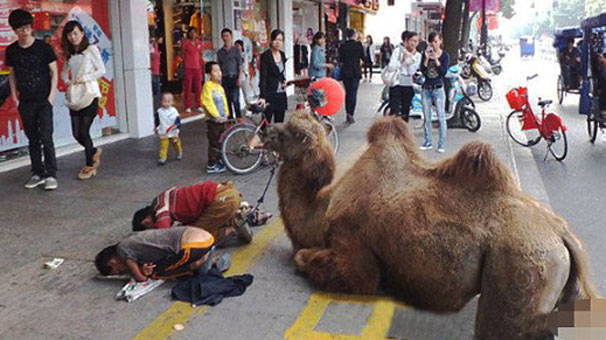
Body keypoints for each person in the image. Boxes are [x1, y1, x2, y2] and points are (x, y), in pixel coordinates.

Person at [6, 9, 59, 190]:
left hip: (44, 100)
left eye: (28, 27)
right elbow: (12, 75)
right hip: (25, 101)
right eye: (21, 29)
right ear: (15, 30)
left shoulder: (43, 48)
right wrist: (15, 97)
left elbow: (54, 72)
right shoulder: (12, 50)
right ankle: (37, 172)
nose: (25, 31)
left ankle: (51, 174)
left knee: (46, 137)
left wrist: (51, 97)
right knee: (33, 139)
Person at [131, 181, 253, 244]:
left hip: (221, 201)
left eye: (148, 230)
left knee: (194, 236)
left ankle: (230, 229)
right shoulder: (163, 198)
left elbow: (162, 235)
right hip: (227, 193)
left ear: (146, 221)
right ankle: (233, 218)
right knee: (191, 227)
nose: (152, 230)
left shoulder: (160, 209)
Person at [61, 20, 106, 180]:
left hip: (90, 94)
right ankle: (93, 151)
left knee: (84, 131)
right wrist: (69, 82)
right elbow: (64, 73)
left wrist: (84, 78)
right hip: (76, 96)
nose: (73, 37)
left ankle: (89, 165)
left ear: (82, 33)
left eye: (75, 33)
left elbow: (101, 70)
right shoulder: (69, 53)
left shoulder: (91, 49)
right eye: (69, 34)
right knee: (76, 133)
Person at [95, 227, 216, 281]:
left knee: (157, 274)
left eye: (118, 271)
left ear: (113, 261)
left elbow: (141, 278)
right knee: (201, 274)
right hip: (202, 239)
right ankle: (207, 259)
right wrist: (145, 268)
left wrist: (143, 273)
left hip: (192, 245)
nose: (123, 271)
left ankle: (198, 263)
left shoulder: (123, 249)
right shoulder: (133, 244)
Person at [419, 32, 450, 153]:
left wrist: (436, 60)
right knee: (427, 117)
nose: (433, 44)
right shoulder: (425, 54)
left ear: (440, 41)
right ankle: (428, 142)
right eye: (431, 42)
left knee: (441, 117)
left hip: (438, 89)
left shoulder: (445, 55)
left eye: (436, 42)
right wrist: (426, 58)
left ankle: (441, 144)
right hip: (426, 88)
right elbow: (423, 71)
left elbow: (443, 72)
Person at [202, 61, 229, 174]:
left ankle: (219, 160)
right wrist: (216, 116)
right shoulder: (207, 87)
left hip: (222, 120)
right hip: (213, 121)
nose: (219, 73)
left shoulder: (219, 87)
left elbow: (224, 102)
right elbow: (207, 102)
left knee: (221, 141)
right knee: (214, 141)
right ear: (209, 74)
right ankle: (212, 164)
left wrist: (226, 114)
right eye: (215, 71)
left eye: (219, 70)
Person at [388, 31, 421, 122]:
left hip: (407, 84)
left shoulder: (417, 56)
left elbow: (411, 71)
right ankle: (393, 133)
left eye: (416, 41)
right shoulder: (398, 51)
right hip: (396, 83)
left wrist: (410, 60)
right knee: (394, 112)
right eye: (411, 40)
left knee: (405, 112)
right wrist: (402, 61)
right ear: (406, 40)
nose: (413, 43)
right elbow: (391, 67)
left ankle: (403, 133)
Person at [258, 29, 289, 123]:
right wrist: (262, 96)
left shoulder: (282, 55)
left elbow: (281, 73)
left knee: (279, 124)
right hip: (269, 93)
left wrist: (285, 82)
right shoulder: (265, 56)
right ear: (271, 41)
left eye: (280, 40)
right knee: (266, 123)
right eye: (276, 40)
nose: (278, 43)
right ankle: (263, 138)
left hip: (281, 94)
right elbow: (263, 77)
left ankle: (277, 139)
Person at [338, 28, 364, 124]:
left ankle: (347, 112)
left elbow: (340, 59)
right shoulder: (358, 45)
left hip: (345, 72)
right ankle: (351, 113)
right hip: (355, 72)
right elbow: (363, 57)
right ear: (354, 35)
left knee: (348, 92)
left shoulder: (343, 46)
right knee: (353, 93)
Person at [217, 28, 243, 118]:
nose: (225, 38)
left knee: (235, 100)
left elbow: (240, 65)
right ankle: (230, 120)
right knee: (227, 101)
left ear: (231, 37)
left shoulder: (236, 50)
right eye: (223, 36)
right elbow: (219, 67)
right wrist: (219, 80)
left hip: (235, 77)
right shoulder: (220, 52)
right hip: (225, 78)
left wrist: (240, 78)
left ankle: (239, 119)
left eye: (227, 36)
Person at [155, 92, 182, 165]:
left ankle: (179, 151)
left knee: (176, 143)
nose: (166, 103)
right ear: (162, 101)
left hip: (173, 131)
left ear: (172, 102)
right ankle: (162, 157)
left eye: (168, 101)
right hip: (164, 131)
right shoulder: (159, 111)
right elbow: (157, 120)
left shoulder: (174, 111)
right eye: (165, 101)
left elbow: (178, 120)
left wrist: (177, 125)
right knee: (164, 145)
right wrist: (156, 127)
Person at [181, 27, 203, 114]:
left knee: (198, 87)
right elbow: (182, 54)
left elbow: (201, 54)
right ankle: (187, 106)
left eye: (195, 32)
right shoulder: (185, 43)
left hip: (197, 67)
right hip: (188, 67)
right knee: (188, 87)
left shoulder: (200, 43)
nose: (193, 34)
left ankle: (198, 105)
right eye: (191, 32)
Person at [235, 39, 254, 107]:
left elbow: (244, 66)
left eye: (238, 46)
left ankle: (250, 107)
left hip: (244, 75)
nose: (237, 47)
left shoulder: (244, 55)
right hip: (236, 76)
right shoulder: (235, 55)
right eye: (235, 46)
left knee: (247, 93)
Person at [150, 35, 163, 110]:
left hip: (156, 71)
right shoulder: (152, 46)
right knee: (156, 92)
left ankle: (157, 108)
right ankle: (156, 108)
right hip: (152, 71)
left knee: (157, 92)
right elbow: (151, 57)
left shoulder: (156, 46)